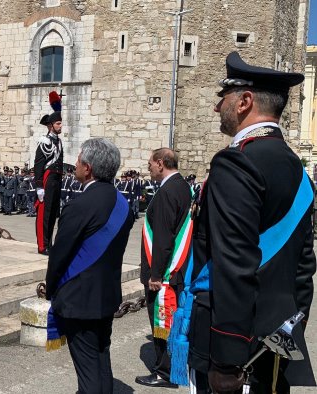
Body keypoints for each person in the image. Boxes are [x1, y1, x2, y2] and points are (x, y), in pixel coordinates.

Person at [179, 52, 315, 393]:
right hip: (275, 336)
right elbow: (303, 268)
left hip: (233, 343)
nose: (216, 108)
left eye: (222, 98)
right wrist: (288, 330)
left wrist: (226, 360)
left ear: (244, 101)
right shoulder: (298, 170)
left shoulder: (236, 163)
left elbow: (235, 264)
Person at [45, 138, 134, 394]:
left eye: (79, 160)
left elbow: (59, 255)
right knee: (100, 355)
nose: (75, 164)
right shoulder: (122, 204)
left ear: (89, 168)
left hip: (79, 299)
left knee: (86, 367)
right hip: (106, 295)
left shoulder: (79, 205)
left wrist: (51, 289)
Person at [135, 148, 192, 389]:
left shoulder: (168, 191)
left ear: (160, 163)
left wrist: (156, 274)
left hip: (164, 273)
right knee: (172, 322)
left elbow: (164, 238)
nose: (148, 168)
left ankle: (164, 372)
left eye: (150, 164)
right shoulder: (182, 186)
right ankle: (173, 367)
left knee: (162, 323)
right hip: (177, 269)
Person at [34, 111, 64, 255]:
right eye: (58, 123)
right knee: (44, 214)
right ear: (50, 126)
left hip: (56, 180)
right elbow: (38, 164)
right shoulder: (44, 141)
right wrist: (39, 186)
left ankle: (49, 244)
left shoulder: (59, 141)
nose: (61, 126)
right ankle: (42, 245)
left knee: (53, 213)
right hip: (47, 179)